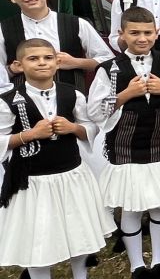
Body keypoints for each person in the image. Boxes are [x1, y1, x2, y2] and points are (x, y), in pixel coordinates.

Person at [0, 39, 115, 279]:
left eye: (47, 58)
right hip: (32, 181)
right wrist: (30, 134)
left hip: (72, 175)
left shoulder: (72, 94)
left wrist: (73, 128)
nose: (42, 63)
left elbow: (90, 128)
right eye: (33, 59)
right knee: (38, 238)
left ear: (57, 62)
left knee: (79, 231)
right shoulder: (7, 100)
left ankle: (80, 275)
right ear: (18, 65)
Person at [88, 7, 160, 279]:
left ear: (155, 34)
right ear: (122, 34)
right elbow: (95, 111)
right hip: (126, 146)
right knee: (131, 205)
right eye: (134, 33)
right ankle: (136, 264)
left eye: (147, 33)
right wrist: (125, 94)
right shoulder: (109, 69)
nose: (142, 38)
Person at [2, 0, 113, 92]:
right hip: (22, 105)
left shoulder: (77, 24)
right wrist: (12, 69)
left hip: (72, 103)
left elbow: (109, 61)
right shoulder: (2, 29)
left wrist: (76, 62)